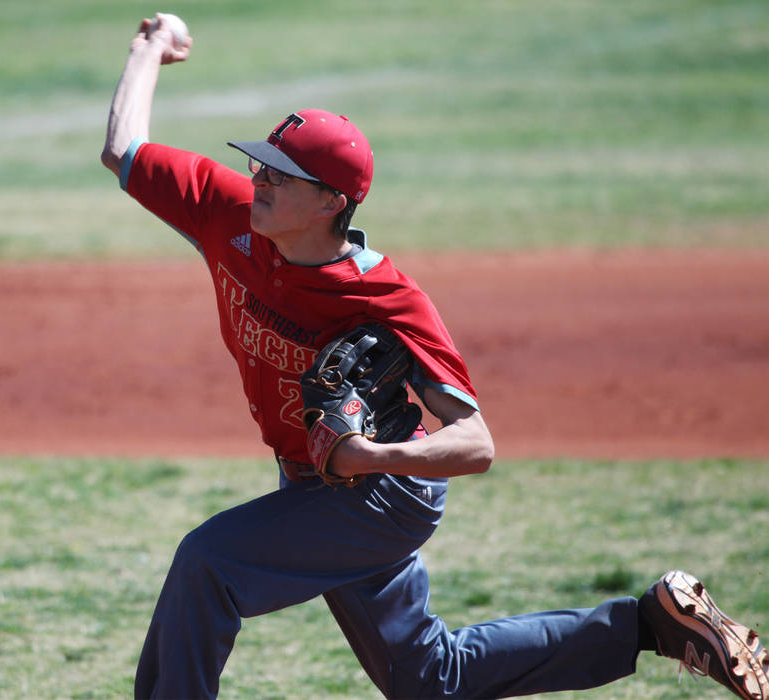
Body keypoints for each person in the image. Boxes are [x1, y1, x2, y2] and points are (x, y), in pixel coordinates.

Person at [100, 14, 769, 700]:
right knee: (427, 679)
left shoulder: (385, 298)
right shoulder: (229, 213)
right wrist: (147, 48)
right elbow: (123, 148)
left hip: (384, 495)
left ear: (332, 201)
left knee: (207, 564)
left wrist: (371, 458)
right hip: (315, 483)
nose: (259, 180)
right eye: (261, 164)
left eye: (282, 175)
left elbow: (475, 444)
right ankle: (652, 627)